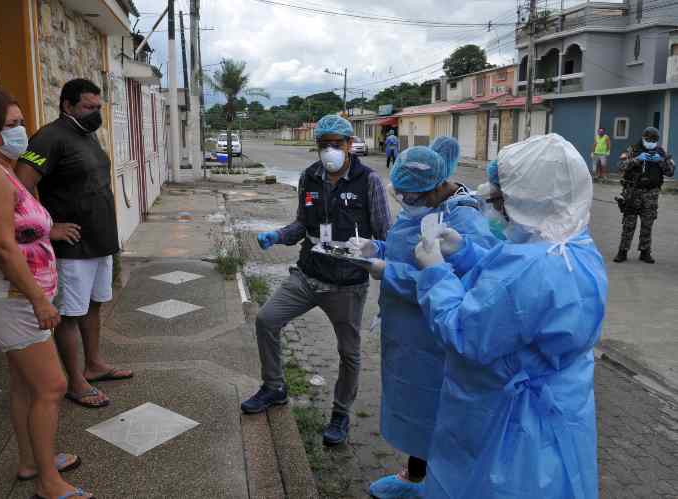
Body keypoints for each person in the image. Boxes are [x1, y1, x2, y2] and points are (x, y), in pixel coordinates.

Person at [413, 134, 607, 499]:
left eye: (502, 199)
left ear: (529, 200)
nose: (497, 209)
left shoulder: (529, 270)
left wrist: (436, 272)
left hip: (512, 424)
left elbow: (464, 334)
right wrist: (465, 252)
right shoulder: (577, 249)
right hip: (563, 409)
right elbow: (506, 282)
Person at [0, 85, 94, 499]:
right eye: (14, 126)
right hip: (13, 300)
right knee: (52, 386)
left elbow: (21, 230)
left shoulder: (1, 169)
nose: (23, 132)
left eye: (21, 123)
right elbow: (1, 246)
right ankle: (49, 485)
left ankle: (31, 461)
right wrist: (38, 299)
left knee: (25, 385)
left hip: (18, 298)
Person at [348, 138, 499, 498]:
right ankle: (414, 475)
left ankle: (439, 484)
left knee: (438, 414)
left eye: (410, 195)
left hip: (434, 337)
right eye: (401, 194)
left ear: (434, 189)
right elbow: (403, 245)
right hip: (405, 333)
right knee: (412, 410)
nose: (405, 201)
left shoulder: (462, 219)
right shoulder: (419, 207)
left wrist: (390, 272)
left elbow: (467, 280)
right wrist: (376, 248)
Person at [241, 114, 392, 446]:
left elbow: (386, 234)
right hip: (308, 275)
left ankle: (340, 414)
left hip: (347, 284)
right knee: (266, 320)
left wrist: (375, 256)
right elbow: (300, 225)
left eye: (335, 145)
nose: (328, 151)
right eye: (322, 145)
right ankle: (274, 387)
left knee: (349, 352)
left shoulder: (368, 181)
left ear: (350, 145)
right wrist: (278, 235)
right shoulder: (309, 176)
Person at [16, 79, 132, 409]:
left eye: (98, 107)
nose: (96, 113)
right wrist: (48, 229)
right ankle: (75, 381)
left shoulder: (85, 133)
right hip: (73, 248)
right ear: (67, 105)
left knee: (93, 305)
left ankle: (93, 365)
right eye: (88, 107)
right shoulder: (49, 137)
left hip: (99, 242)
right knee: (68, 314)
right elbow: (19, 190)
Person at [613, 126, 675, 264]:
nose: (651, 143)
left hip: (651, 194)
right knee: (629, 223)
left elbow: (670, 172)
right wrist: (637, 159)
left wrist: (661, 161)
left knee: (648, 223)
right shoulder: (633, 149)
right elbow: (620, 166)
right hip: (633, 192)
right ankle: (623, 251)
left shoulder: (660, 152)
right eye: (648, 140)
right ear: (643, 138)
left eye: (654, 140)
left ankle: (645, 251)